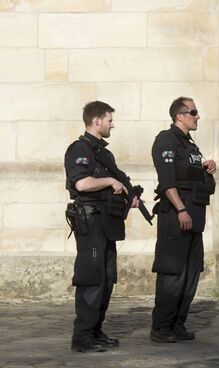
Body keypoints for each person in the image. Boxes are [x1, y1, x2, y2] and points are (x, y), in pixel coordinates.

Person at [64, 101, 140, 352]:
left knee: (107, 279)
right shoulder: (79, 149)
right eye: (109, 120)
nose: (112, 124)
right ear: (96, 121)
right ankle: (82, 336)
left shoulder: (104, 153)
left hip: (106, 222)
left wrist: (129, 197)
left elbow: (113, 185)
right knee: (92, 279)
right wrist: (108, 180)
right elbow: (82, 184)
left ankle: (95, 330)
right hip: (91, 221)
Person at [150, 97, 216, 342]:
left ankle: (177, 323)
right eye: (193, 112)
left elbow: (192, 178)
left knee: (190, 274)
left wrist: (206, 167)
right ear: (179, 115)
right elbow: (167, 181)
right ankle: (161, 327)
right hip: (177, 216)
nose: (197, 116)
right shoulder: (167, 140)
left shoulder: (190, 146)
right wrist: (180, 209)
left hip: (194, 216)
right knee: (173, 272)